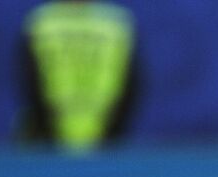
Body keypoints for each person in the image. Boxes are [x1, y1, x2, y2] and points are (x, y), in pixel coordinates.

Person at [18, 0, 140, 152]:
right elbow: (133, 86)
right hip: (104, 140)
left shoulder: (41, 22)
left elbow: (30, 84)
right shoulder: (116, 23)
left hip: (55, 139)